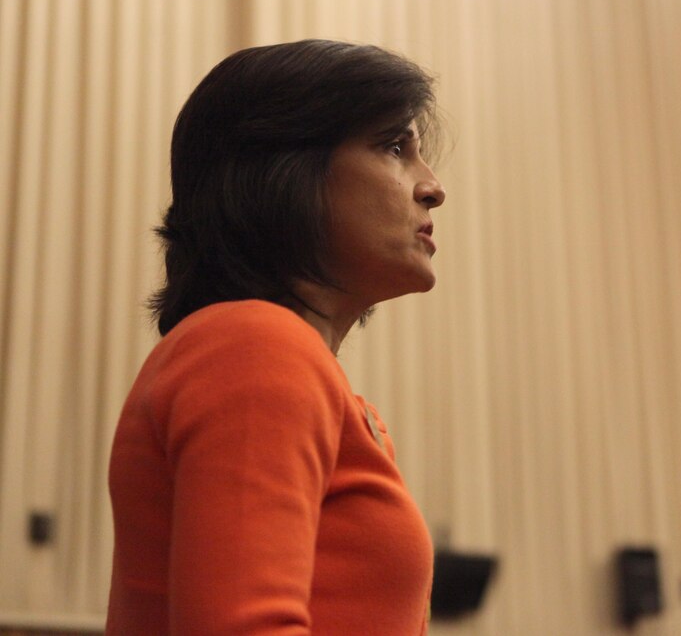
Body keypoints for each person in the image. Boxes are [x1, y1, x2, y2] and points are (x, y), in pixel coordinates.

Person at [105, 39, 446, 635]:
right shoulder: (254, 346)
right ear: (285, 170)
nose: (432, 186)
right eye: (394, 147)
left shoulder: (281, 360)